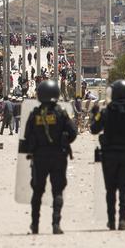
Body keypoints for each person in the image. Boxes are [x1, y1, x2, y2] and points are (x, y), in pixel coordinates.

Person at [22, 80, 77, 235]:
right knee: (57, 191)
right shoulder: (61, 113)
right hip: (58, 156)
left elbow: (27, 137)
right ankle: (55, 224)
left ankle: (35, 225)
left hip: (39, 157)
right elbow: (73, 132)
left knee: (37, 191)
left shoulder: (35, 114)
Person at [90, 80, 125, 231]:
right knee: (124, 189)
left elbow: (94, 129)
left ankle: (111, 221)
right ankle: (122, 221)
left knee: (111, 189)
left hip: (109, 155)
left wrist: (95, 115)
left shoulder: (107, 112)